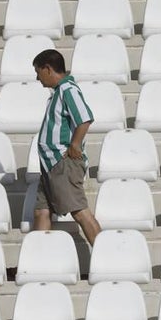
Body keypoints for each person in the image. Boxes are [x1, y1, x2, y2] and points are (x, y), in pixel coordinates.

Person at [31, 48, 102, 247]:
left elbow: (85, 118)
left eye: (38, 72)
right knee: (41, 211)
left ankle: (107, 257)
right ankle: (39, 258)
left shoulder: (68, 90)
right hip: (49, 166)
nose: (38, 78)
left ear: (47, 69)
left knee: (80, 212)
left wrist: (75, 144)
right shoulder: (57, 92)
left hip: (61, 164)